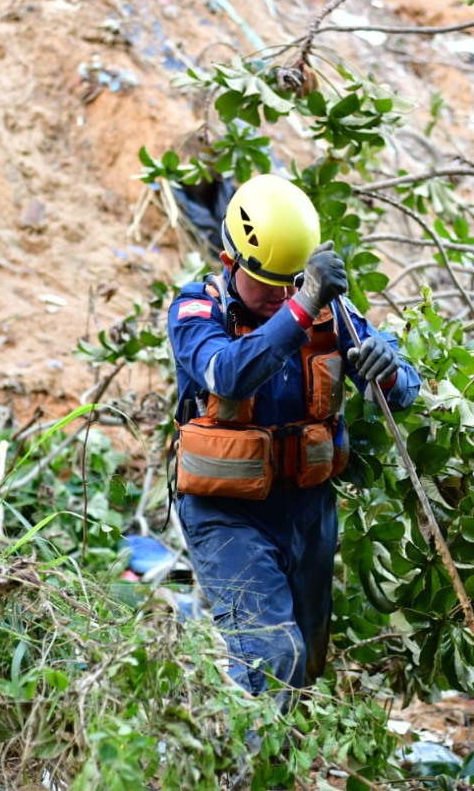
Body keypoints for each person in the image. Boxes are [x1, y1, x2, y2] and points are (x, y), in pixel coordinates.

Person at [167, 172, 421, 699]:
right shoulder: (195, 312)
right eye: (271, 283)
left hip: (307, 513)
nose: (283, 295)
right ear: (230, 261)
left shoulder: (331, 312)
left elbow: (404, 391)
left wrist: (387, 365)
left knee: (305, 663)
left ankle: (284, 761)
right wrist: (302, 304)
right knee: (271, 653)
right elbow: (228, 373)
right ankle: (247, 772)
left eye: (294, 281)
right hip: (226, 513)